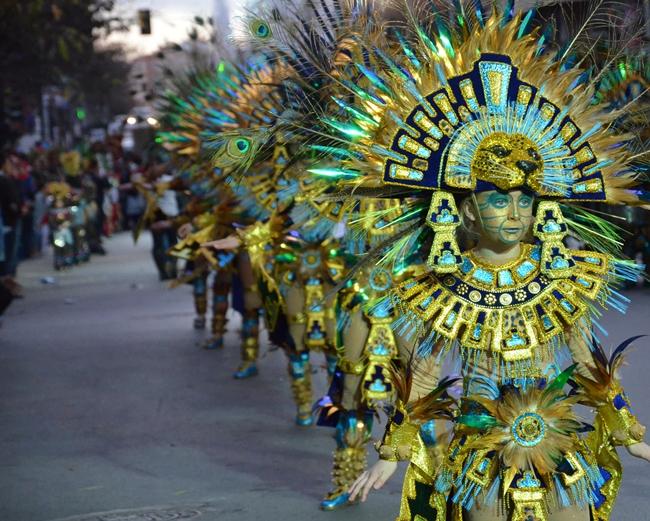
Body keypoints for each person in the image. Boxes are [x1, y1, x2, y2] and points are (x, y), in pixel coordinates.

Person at [286, 4, 650, 520]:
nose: (515, 213)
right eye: (499, 199)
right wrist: (394, 454)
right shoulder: (442, 287)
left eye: (526, 201)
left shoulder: (567, 278)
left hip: (560, 452)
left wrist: (628, 432)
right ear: (465, 210)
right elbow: (426, 374)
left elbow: (589, 361)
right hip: (481, 454)